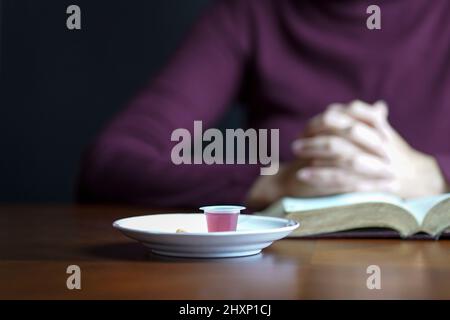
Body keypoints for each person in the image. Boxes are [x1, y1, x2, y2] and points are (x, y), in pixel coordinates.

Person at [78, 0, 450, 210]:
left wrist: (430, 175)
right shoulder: (249, 14)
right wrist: (276, 182)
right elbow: (110, 164)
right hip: (276, 277)